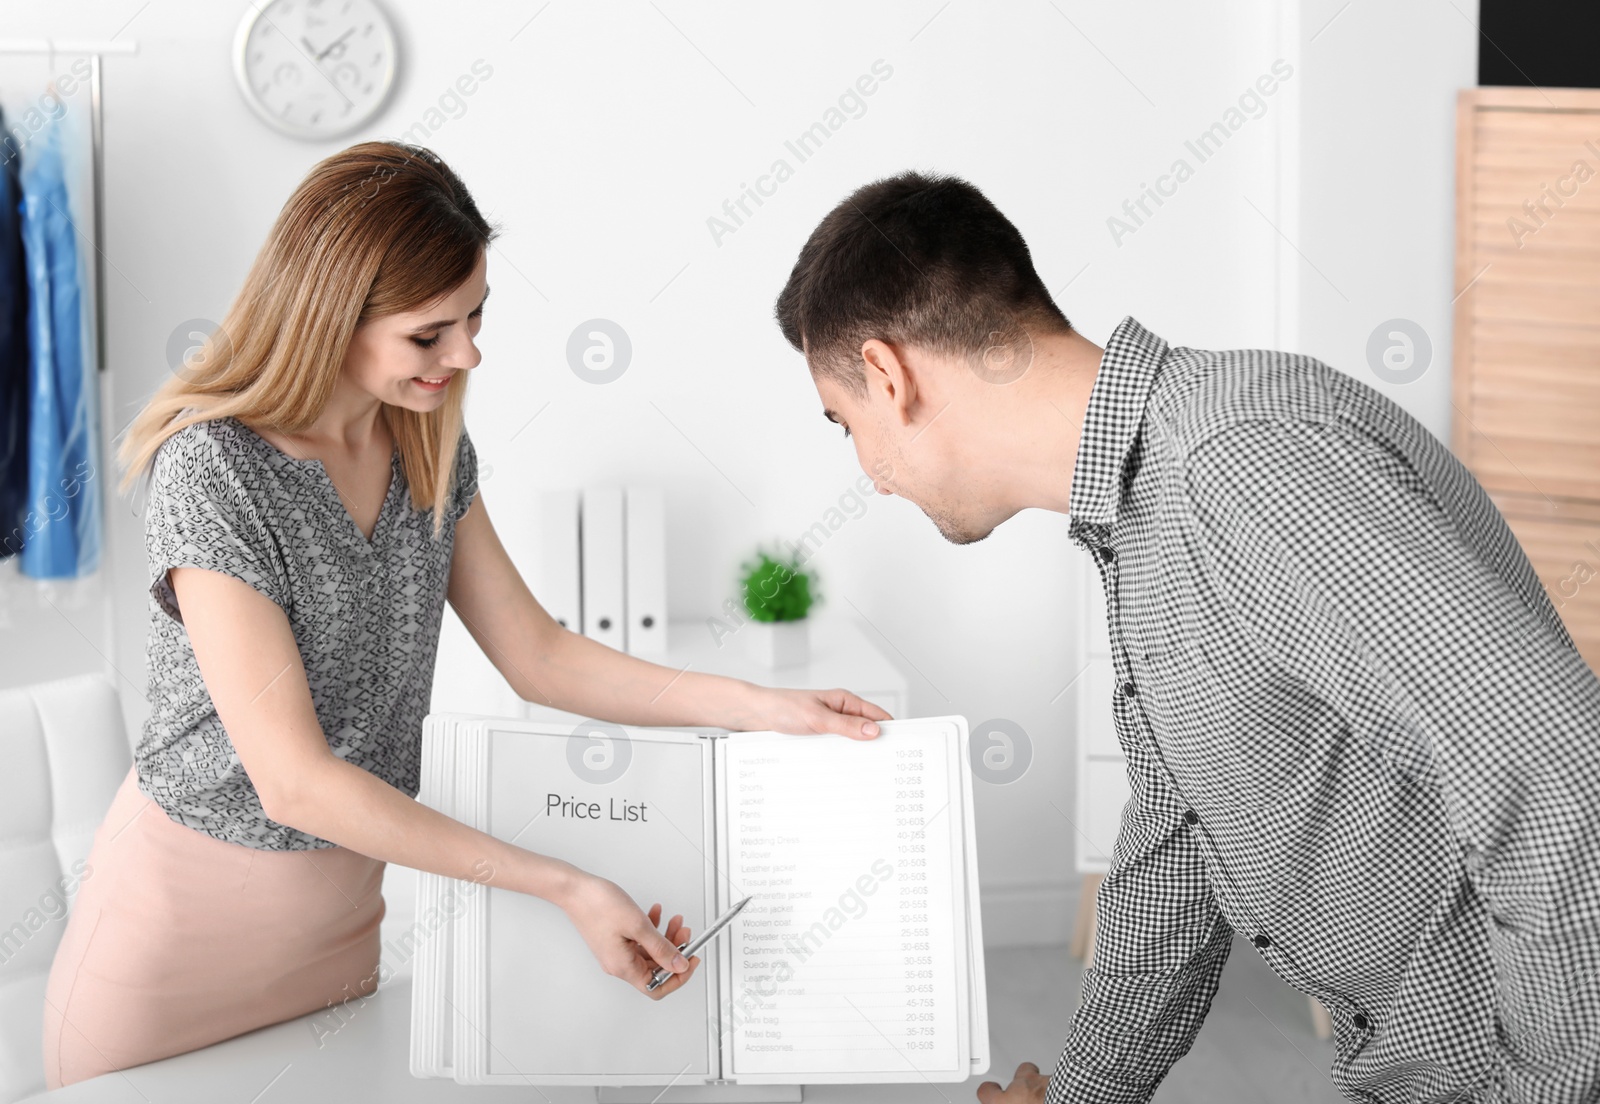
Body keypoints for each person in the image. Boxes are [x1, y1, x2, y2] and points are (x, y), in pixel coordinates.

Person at [40, 141, 891, 1089]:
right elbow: (296, 784)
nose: (467, 353)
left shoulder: (426, 440)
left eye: (477, 316)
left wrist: (763, 705)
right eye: (429, 333)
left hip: (337, 936)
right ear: (328, 316)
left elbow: (540, 656)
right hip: (173, 940)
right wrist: (561, 884)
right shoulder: (215, 471)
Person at [772, 171, 1600, 1104]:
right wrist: (1088, 1093)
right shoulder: (1146, 508)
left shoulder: (1238, 462)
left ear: (889, 376)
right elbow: (1177, 836)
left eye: (845, 424)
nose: (870, 475)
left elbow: (1563, 769)